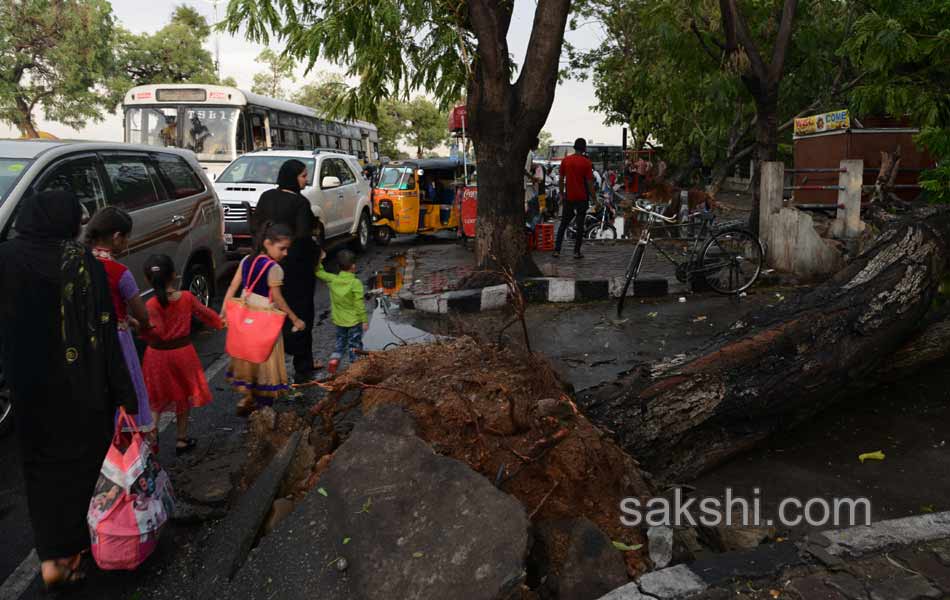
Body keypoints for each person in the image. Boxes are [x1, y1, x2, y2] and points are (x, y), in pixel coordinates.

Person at [0, 191, 135, 590]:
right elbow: (106, 335)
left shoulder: (5, 258)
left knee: (39, 473)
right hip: (82, 391)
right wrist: (125, 394)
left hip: (29, 388)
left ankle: (50, 559)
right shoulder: (83, 264)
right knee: (81, 472)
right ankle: (76, 554)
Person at [84, 207, 156, 440]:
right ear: (116, 237)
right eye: (126, 237)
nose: (128, 242)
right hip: (116, 340)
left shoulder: (78, 263)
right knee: (125, 387)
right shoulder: (119, 272)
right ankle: (124, 439)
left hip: (85, 337)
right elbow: (141, 313)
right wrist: (142, 324)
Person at [141, 254, 223, 456]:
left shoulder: (151, 304)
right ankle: (181, 439)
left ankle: (150, 442)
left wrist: (139, 329)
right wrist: (220, 323)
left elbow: (153, 332)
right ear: (175, 275)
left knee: (155, 399)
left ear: (147, 280)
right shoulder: (186, 297)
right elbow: (205, 313)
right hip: (183, 354)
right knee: (182, 396)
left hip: (157, 356)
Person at [222, 223, 306, 416]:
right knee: (265, 363)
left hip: (245, 317)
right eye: (282, 248)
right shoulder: (274, 268)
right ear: (267, 243)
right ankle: (263, 410)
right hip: (264, 320)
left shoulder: (246, 261)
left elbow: (232, 287)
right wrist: (294, 319)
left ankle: (249, 397)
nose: (285, 253)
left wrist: (224, 311)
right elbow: (277, 298)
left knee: (249, 358)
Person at [251, 159, 321, 383]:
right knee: (300, 312)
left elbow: (255, 227)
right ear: (293, 177)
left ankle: (270, 367)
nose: (306, 179)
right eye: (303, 175)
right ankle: (303, 365)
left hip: (266, 265)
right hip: (295, 269)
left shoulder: (266, 198)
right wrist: (317, 252)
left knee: (270, 313)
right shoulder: (300, 203)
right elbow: (302, 237)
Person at [316, 248, 368, 374]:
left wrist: (319, 259)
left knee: (340, 343)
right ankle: (355, 369)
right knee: (354, 345)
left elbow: (318, 272)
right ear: (353, 266)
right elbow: (359, 304)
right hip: (354, 322)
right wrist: (364, 320)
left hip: (339, 321)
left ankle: (334, 360)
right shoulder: (355, 283)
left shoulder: (332, 279)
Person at [555, 138, 597, 259]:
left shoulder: (566, 160)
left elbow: (561, 180)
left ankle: (557, 250)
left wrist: (562, 195)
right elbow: (589, 183)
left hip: (569, 197)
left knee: (563, 223)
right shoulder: (586, 163)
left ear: (574, 147)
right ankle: (576, 252)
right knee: (579, 225)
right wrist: (595, 200)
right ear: (584, 149)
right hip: (582, 198)